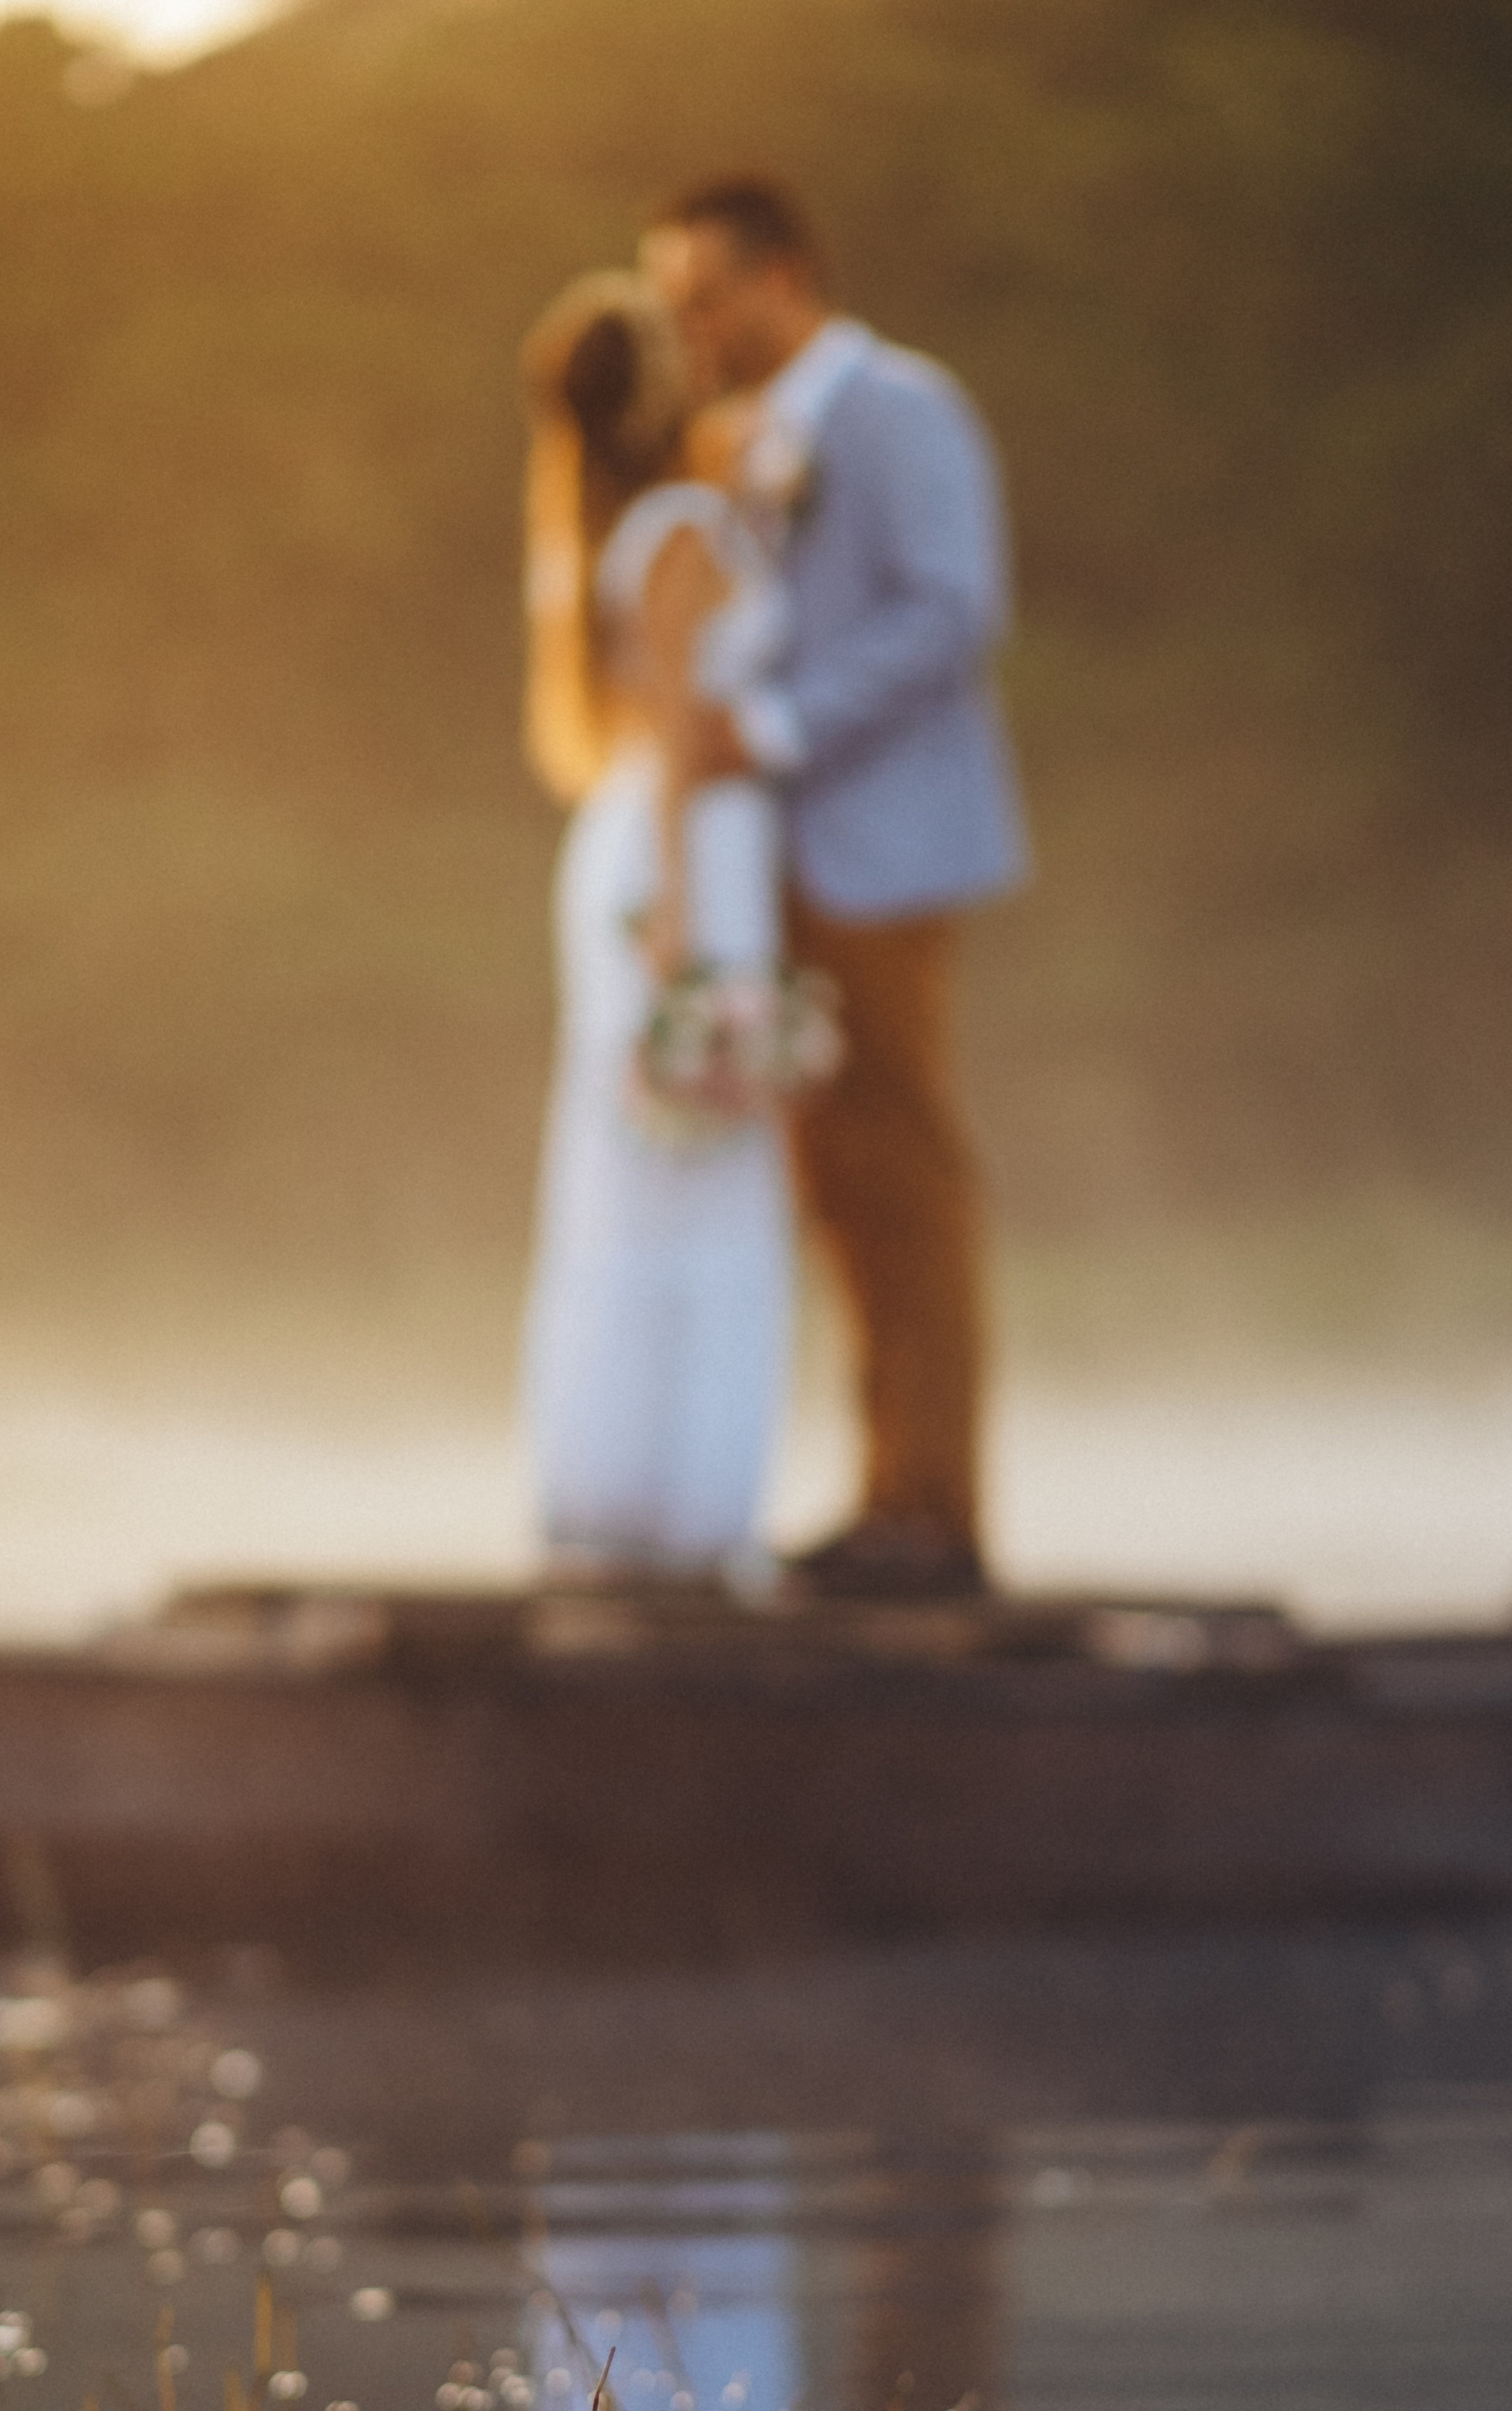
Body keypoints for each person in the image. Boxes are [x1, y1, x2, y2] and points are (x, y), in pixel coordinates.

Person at [643, 177, 1028, 1603]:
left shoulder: (900, 408)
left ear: (784, 278)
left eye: (705, 298)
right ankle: (888, 1495)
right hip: (793, 869)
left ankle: (937, 1506)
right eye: (673, 307)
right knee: (841, 1179)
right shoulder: (751, 440)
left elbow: (952, 607)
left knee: (907, 1173)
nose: (690, 329)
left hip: (888, 850)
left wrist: (781, 728)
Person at [517, 273, 801, 1583]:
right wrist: (686, 925)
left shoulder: (597, 520)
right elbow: (691, 733)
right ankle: (689, 1510)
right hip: (684, 857)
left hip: (626, 841)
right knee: (703, 1166)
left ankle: (607, 1488)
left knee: (628, 1169)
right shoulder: (683, 528)